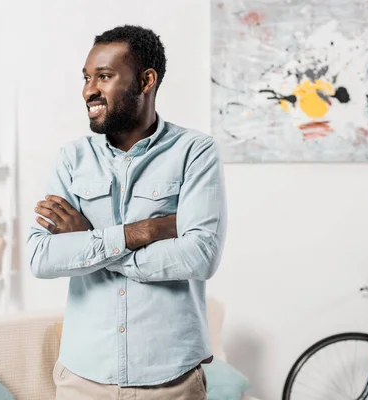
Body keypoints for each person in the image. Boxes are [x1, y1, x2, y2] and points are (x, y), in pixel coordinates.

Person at [26, 25, 227, 400]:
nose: (89, 90)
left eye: (104, 76)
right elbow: (40, 258)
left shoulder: (195, 152)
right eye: (87, 78)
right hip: (82, 379)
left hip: (171, 380)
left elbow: (200, 256)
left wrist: (89, 243)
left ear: (146, 80)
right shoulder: (72, 159)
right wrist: (142, 232)